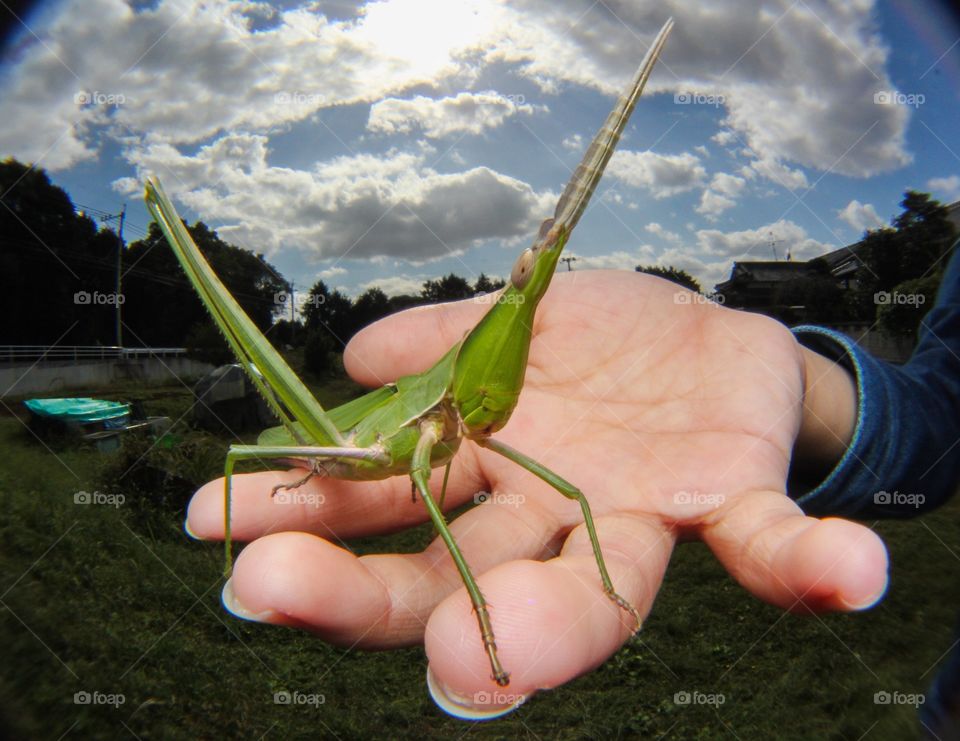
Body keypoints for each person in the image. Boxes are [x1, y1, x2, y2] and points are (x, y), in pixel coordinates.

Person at [184, 246, 959, 721]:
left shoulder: (484, 389)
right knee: (241, 462)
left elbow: (938, 425)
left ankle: (490, 624)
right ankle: (475, 618)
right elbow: (942, 402)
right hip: (342, 440)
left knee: (578, 495)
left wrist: (781, 367)